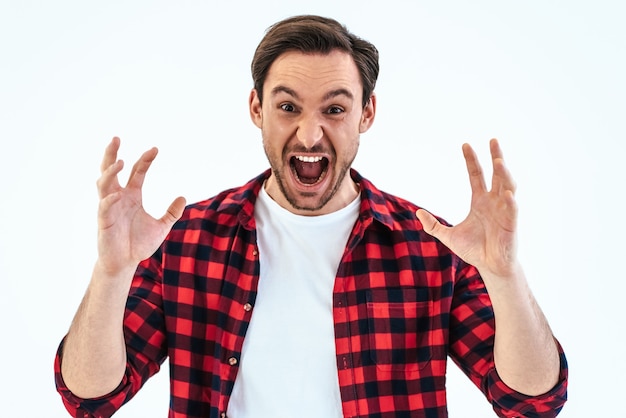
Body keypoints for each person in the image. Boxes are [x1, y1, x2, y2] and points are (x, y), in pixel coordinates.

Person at [54, 15, 568, 418]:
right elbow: (90, 399)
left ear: (367, 113)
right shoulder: (186, 241)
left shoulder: (431, 246)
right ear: (256, 108)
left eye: (335, 110)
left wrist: (504, 277)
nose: (308, 135)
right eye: (288, 107)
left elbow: (532, 402)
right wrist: (111, 273)